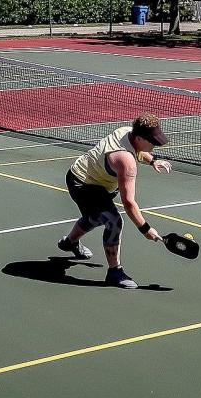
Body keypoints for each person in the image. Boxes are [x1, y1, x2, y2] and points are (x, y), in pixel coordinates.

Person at [57, 114, 173, 289]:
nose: (155, 145)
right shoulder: (125, 161)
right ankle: (114, 272)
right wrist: (146, 229)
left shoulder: (127, 132)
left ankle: (70, 242)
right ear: (140, 137)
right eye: (153, 142)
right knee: (113, 220)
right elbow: (129, 203)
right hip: (83, 183)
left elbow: (140, 151)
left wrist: (153, 160)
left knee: (97, 216)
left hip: (98, 182)